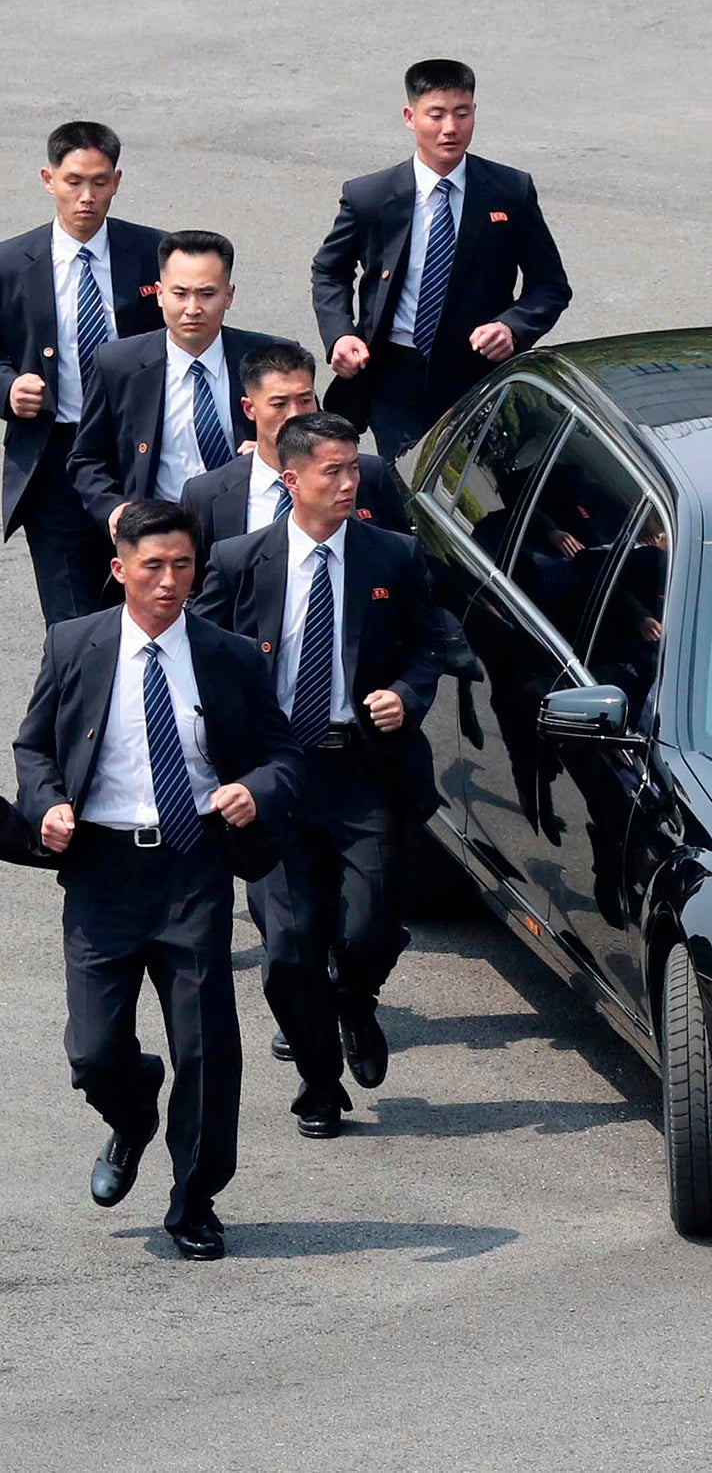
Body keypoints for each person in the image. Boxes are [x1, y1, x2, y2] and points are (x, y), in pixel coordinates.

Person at [12, 498, 300, 1259]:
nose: (170, 581)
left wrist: (256, 790)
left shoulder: (229, 656)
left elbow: (284, 757)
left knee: (205, 1048)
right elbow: (34, 747)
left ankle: (195, 1200)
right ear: (120, 570)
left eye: (182, 566)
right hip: (102, 870)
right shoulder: (74, 644)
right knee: (94, 1050)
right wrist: (46, 807)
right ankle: (132, 1114)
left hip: (190, 864)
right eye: (153, 567)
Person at [193, 413, 442, 1137]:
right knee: (289, 949)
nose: (346, 482)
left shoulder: (391, 555)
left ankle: (356, 1002)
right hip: (278, 778)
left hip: (363, 769)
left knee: (368, 928)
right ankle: (318, 1083)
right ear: (292, 479)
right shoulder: (241, 560)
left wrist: (408, 694)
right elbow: (200, 657)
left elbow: (431, 644)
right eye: (330, 471)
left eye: (352, 469)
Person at [311, 60, 571, 459]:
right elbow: (330, 270)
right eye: (436, 115)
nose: (450, 128)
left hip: (477, 373)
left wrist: (512, 327)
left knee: (477, 486)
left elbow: (550, 285)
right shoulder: (371, 196)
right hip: (393, 374)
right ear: (410, 117)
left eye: (462, 113)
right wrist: (340, 334)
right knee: (403, 482)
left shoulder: (508, 191)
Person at [0, 123, 167, 624]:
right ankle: (79, 699)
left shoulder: (154, 254)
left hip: (138, 456)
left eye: (99, 182)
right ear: (48, 179)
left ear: (116, 180)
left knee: (145, 606)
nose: (86, 197)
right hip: (54, 460)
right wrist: (8, 388)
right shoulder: (10, 264)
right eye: (73, 182)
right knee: (73, 622)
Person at [67, 232, 281, 537]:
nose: (192, 308)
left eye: (207, 294)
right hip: (163, 535)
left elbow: (312, 444)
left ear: (229, 295)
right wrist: (113, 508)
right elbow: (87, 458)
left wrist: (272, 454)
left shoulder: (271, 358)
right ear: (159, 294)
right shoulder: (118, 364)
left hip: (250, 533)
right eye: (180, 293)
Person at [181, 341, 408, 572]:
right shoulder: (207, 495)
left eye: (305, 400)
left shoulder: (367, 475)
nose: (295, 415)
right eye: (279, 404)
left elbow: (403, 561)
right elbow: (197, 586)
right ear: (249, 408)